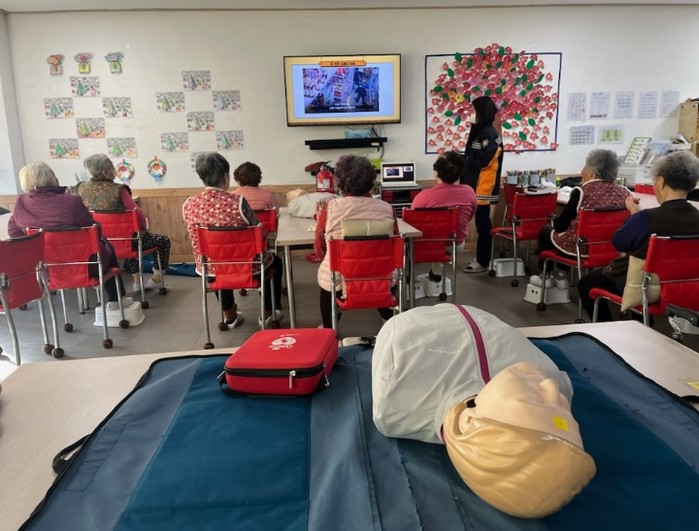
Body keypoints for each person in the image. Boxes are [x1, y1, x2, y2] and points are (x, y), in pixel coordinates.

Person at [578, 151, 699, 322]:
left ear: (661, 181)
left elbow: (619, 243)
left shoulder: (646, 218)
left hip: (643, 287)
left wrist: (634, 215)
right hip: (687, 287)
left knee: (586, 283)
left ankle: (606, 327)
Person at [8, 161, 130, 309]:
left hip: (46, 270)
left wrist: (37, 251)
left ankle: (115, 299)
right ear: (51, 177)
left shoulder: (21, 203)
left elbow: (14, 233)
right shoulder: (72, 201)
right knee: (106, 245)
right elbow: (94, 231)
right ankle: (116, 299)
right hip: (85, 266)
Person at [183, 152, 283, 328]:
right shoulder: (238, 202)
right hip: (248, 266)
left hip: (210, 267)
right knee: (276, 262)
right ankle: (267, 313)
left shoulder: (189, 204)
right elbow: (259, 233)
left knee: (219, 262)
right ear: (225, 177)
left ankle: (229, 316)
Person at [314, 154, 396, 329]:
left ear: (340, 182)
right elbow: (394, 244)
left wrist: (324, 258)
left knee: (328, 276)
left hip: (339, 280)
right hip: (381, 278)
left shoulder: (330, 208)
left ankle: (329, 329)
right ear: (372, 182)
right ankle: (389, 322)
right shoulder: (387, 209)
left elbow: (319, 245)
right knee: (387, 270)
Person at [533, 149, 630, 287]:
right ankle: (561, 275)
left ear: (593, 174)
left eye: (584, 167)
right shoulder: (624, 192)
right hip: (611, 248)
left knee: (547, 231)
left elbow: (561, 226)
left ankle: (546, 276)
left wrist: (553, 221)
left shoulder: (582, 191)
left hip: (581, 248)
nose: (581, 172)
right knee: (568, 236)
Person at [77, 154, 171, 293]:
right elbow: (138, 215)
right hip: (127, 242)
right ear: (105, 172)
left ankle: (137, 282)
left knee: (130, 236)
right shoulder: (119, 190)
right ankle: (156, 279)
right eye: (111, 168)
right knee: (160, 240)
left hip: (99, 243)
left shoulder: (81, 189)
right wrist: (143, 229)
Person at [410, 151, 477, 282]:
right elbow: (469, 216)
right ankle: (436, 272)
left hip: (428, 245)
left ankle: (410, 278)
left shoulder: (424, 196)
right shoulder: (469, 192)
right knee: (442, 241)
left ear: (436, 172)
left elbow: (412, 223)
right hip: (456, 243)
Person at [460, 95, 503, 273]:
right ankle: (481, 257)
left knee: (483, 224)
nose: (472, 114)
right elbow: (470, 152)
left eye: (473, 111)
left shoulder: (489, 134)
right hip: (475, 183)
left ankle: (483, 261)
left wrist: (467, 163)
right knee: (481, 223)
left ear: (481, 112)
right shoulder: (480, 130)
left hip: (483, 185)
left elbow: (484, 160)